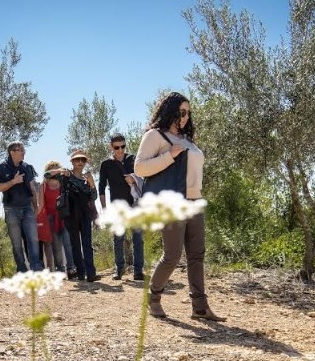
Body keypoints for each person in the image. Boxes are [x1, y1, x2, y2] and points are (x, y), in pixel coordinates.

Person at [134, 92, 225, 321]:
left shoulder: (187, 139)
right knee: (173, 255)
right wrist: (169, 156)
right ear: (170, 110)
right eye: (181, 112)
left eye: (188, 113)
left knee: (197, 255)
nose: (185, 117)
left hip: (194, 201)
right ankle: (153, 297)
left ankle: (200, 308)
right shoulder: (155, 136)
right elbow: (140, 169)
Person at [45, 150, 99, 282]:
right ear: (72, 162)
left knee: (87, 244)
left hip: (85, 214)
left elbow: (94, 197)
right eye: (77, 160)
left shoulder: (87, 178)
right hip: (70, 214)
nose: (80, 162)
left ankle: (91, 274)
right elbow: (46, 175)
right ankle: (81, 274)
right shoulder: (65, 176)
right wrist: (60, 171)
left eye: (83, 160)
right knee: (75, 244)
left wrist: (92, 183)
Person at [99, 134, 145, 281]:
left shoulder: (133, 159)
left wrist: (134, 178)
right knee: (118, 238)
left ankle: (138, 271)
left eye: (123, 146)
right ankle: (119, 269)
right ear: (111, 147)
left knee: (138, 238)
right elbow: (101, 188)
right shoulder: (106, 164)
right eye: (117, 147)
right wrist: (104, 208)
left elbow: (145, 177)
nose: (120, 150)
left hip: (135, 205)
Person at [0, 141, 43, 272]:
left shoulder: (27, 168)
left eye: (23, 149)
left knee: (33, 239)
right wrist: (13, 181)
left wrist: (36, 206)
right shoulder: (0, 169)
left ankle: (36, 269)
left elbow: (32, 188)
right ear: (12, 152)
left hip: (27, 208)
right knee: (16, 244)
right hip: (11, 210)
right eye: (20, 150)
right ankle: (22, 270)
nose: (23, 152)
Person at [38, 160, 75, 278]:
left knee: (68, 243)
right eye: (52, 169)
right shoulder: (43, 185)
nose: (55, 172)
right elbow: (41, 204)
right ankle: (60, 270)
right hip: (51, 218)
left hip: (64, 216)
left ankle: (71, 269)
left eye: (56, 169)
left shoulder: (62, 182)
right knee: (56, 246)